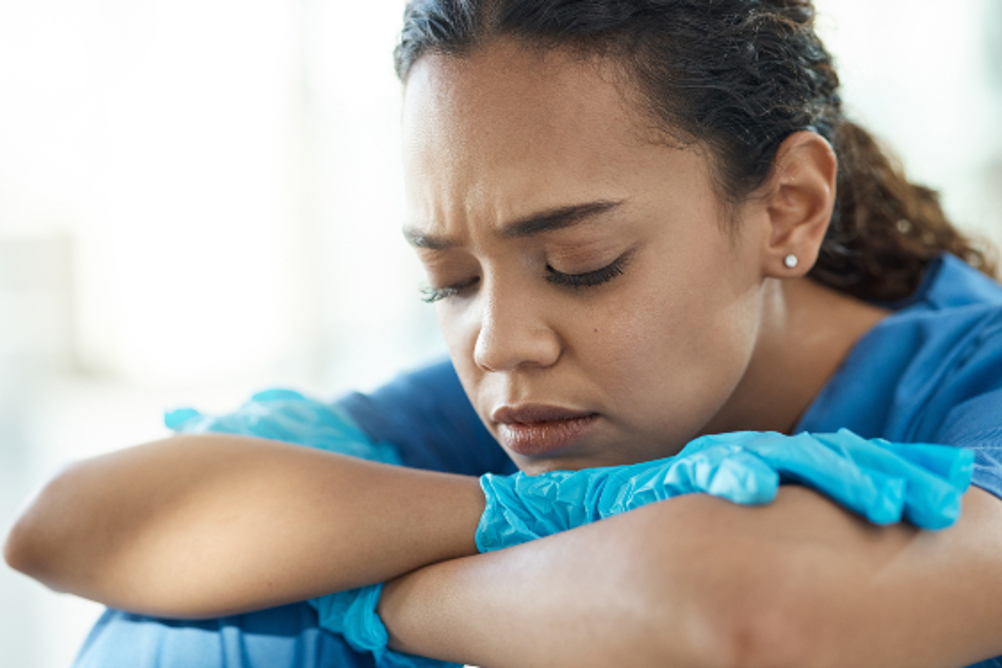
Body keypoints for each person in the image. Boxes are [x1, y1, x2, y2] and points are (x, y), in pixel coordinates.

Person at [6, 0, 1002, 666]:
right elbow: (73, 523)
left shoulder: (979, 384)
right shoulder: (552, 404)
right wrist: (557, 513)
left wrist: (369, 595)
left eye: (581, 263)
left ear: (787, 208)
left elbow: (748, 613)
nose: (497, 343)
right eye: (450, 278)